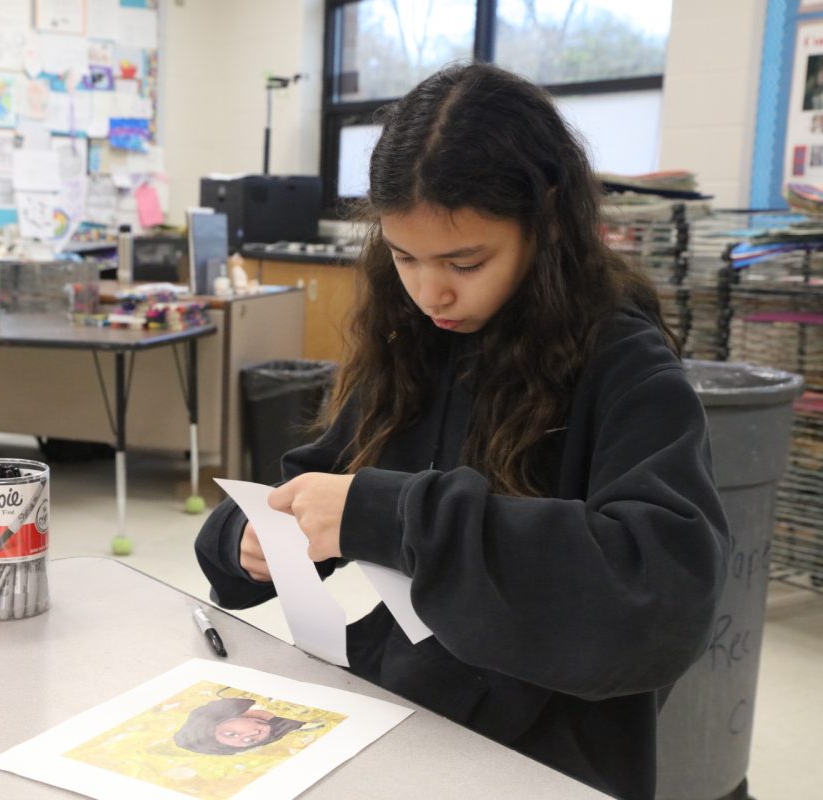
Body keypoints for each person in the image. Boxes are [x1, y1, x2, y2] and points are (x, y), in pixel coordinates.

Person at [194, 63, 727, 800]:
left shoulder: (624, 365)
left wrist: (389, 516)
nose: (430, 291)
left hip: (544, 760)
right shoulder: (415, 339)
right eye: (404, 257)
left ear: (544, 221)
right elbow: (319, 480)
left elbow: (662, 596)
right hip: (401, 722)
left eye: (465, 262)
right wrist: (247, 540)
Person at [172, 697, 314, 756]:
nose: (253, 734)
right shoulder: (303, 721)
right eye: (249, 741)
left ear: (219, 722)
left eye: (232, 734)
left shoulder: (232, 694)